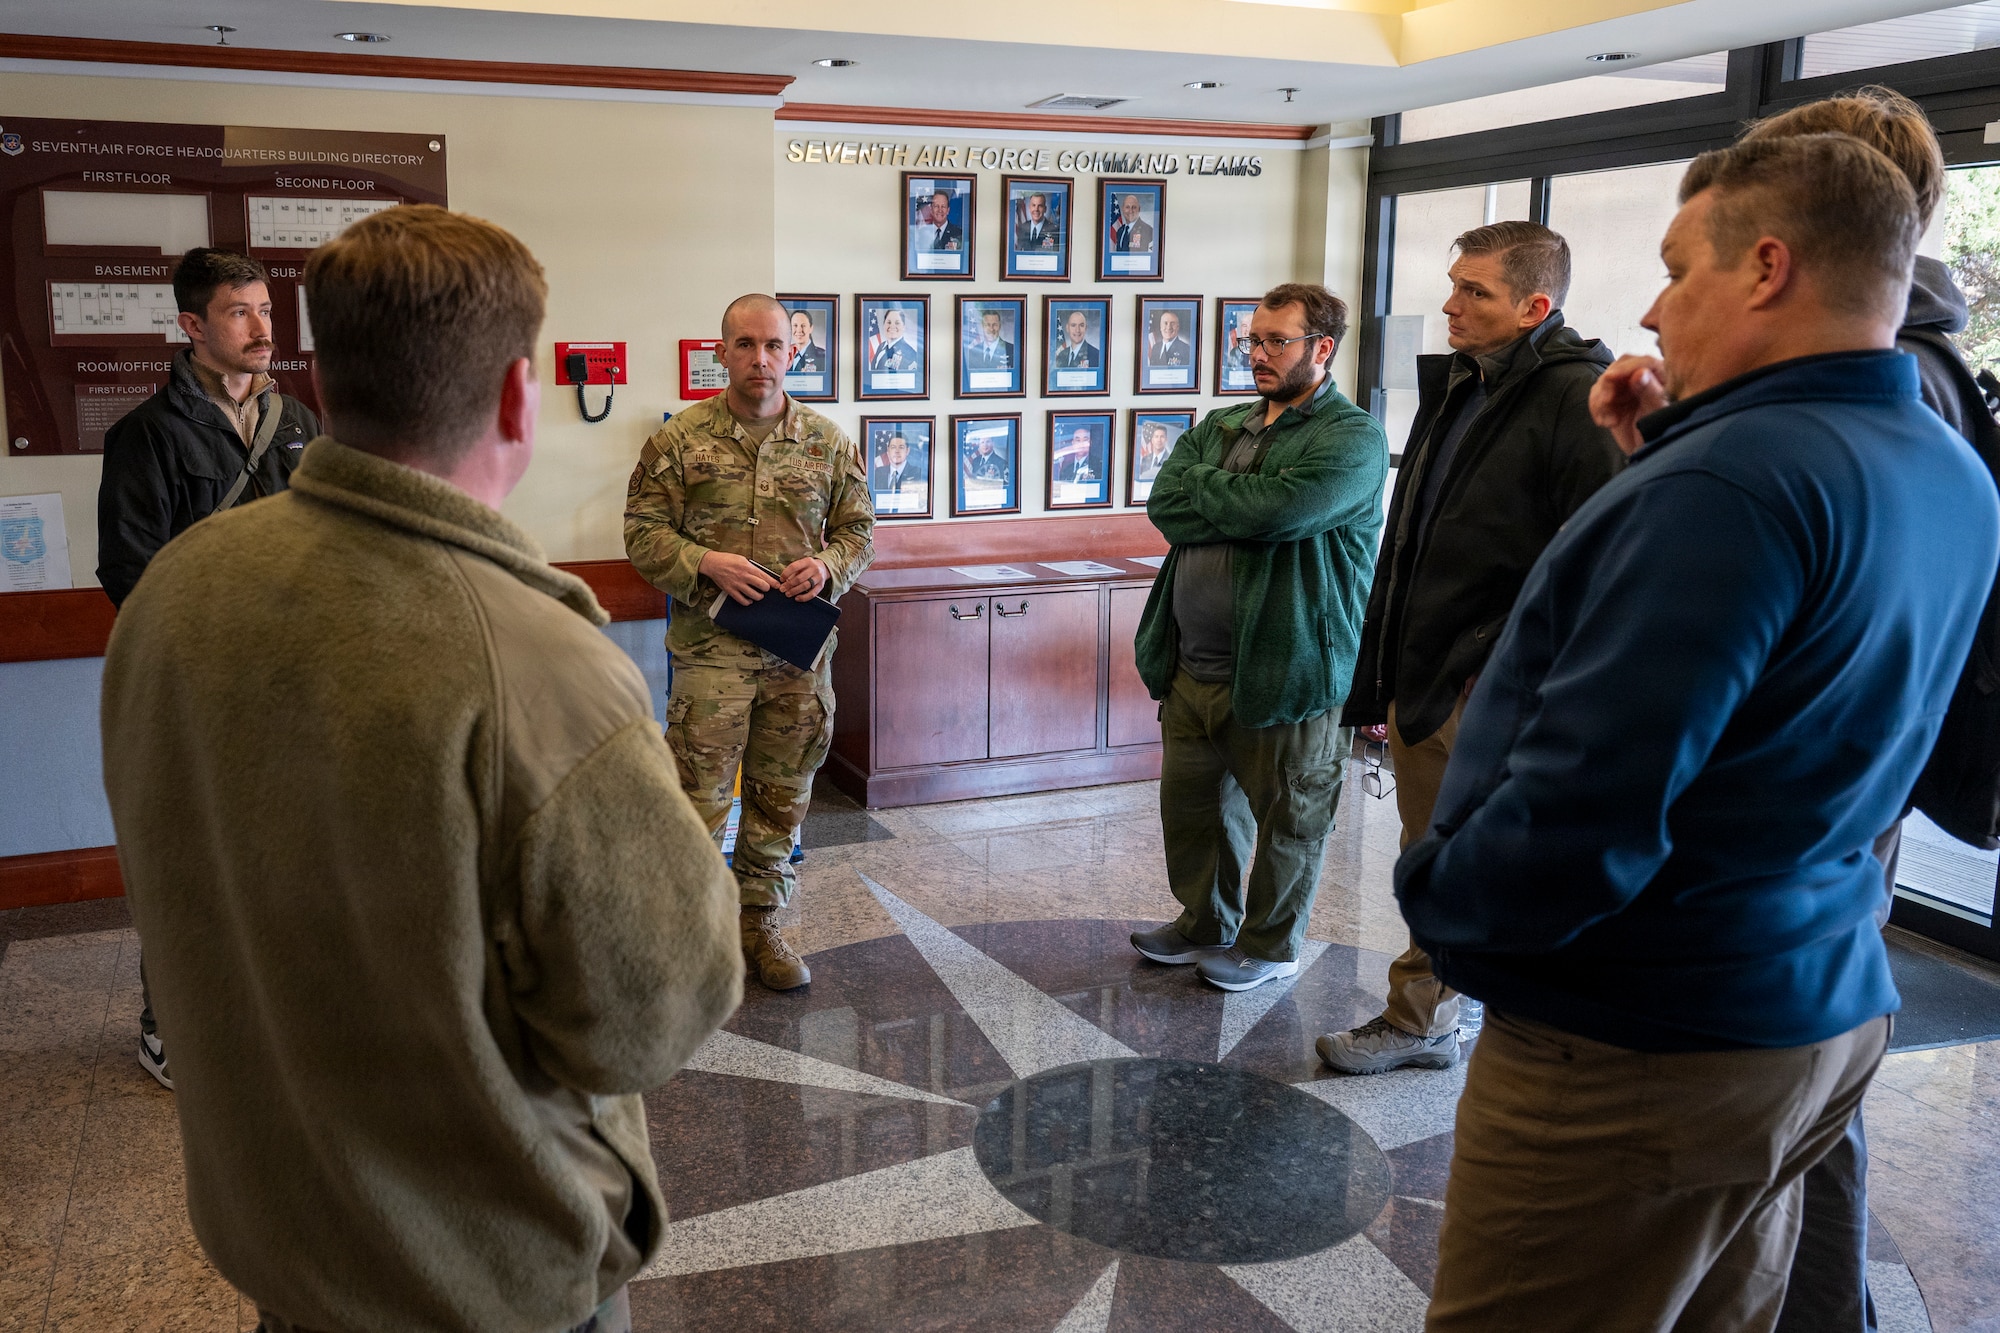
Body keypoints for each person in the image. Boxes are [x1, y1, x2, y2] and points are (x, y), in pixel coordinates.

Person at [100, 205, 742, 1333]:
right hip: (480, 1268)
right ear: (513, 396)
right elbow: (649, 1018)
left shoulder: (175, 597)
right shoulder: (540, 664)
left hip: (288, 1237)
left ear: (329, 381)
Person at [1406, 135, 1999, 1332]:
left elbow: (1584, 813)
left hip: (1636, 1042)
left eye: (1677, 268)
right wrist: (1658, 457)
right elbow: (1787, 699)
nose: (1648, 302)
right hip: (1812, 1001)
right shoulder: (1946, 463)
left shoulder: (1724, 488)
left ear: (1765, 267)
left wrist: (1446, 910)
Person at [1738, 87, 1993, 1333]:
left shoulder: (1899, 389)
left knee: (1805, 1091)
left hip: (1826, 812)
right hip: (1836, 807)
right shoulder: (1899, 383)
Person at [1319, 221, 1622, 1076]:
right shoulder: (1463, 382)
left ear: (1536, 305)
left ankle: (1432, 1018)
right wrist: (1380, 677)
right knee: (1436, 855)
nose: (1450, 304)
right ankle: (1439, 1010)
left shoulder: (1578, 396)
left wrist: (1498, 672)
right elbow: (1414, 538)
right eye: (1453, 284)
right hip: (1428, 672)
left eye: (1474, 292)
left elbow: (1591, 561)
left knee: (1463, 862)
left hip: (1487, 686)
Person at [96, 245, 320, 1092]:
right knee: (196, 864)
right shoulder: (143, 436)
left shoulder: (298, 422)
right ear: (192, 325)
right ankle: (172, 1025)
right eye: (240, 312)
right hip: (200, 688)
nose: (262, 327)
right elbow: (130, 572)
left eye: (266, 309)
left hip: (293, 685)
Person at [1129, 283, 1389, 992]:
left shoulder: (1354, 437)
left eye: (1278, 341)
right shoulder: (1221, 426)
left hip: (1289, 671)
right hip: (1194, 670)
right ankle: (1204, 922)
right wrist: (1238, 504)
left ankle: (1271, 946)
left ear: (1322, 348)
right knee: (1193, 811)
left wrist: (1226, 500)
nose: (1260, 354)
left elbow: (1280, 511)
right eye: (1254, 340)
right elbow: (1166, 503)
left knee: (1290, 820)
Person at [626, 294, 875, 992]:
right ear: (722, 351)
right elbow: (641, 532)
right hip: (712, 657)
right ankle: (692, 939)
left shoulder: (828, 443)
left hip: (796, 660)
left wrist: (827, 566)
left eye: (772, 345)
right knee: (697, 799)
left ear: (792, 352)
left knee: (781, 797)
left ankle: (760, 925)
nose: (759, 359)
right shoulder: (680, 442)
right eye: (745, 345)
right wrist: (705, 563)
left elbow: (862, 532)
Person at [870, 307, 922, 375]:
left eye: (897, 323)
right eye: (889, 322)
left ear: (903, 326)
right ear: (884, 324)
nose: (892, 326)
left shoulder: (910, 354)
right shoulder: (881, 346)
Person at [872, 431, 926, 496]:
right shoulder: (878, 473)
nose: (897, 451)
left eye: (901, 447)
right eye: (893, 447)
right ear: (888, 450)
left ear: (907, 451)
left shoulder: (917, 473)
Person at [786, 308, 827, 374]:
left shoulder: (822, 357)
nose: (799, 330)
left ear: (811, 328)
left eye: (803, 326)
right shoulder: (785, 355)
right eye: (795, 325)